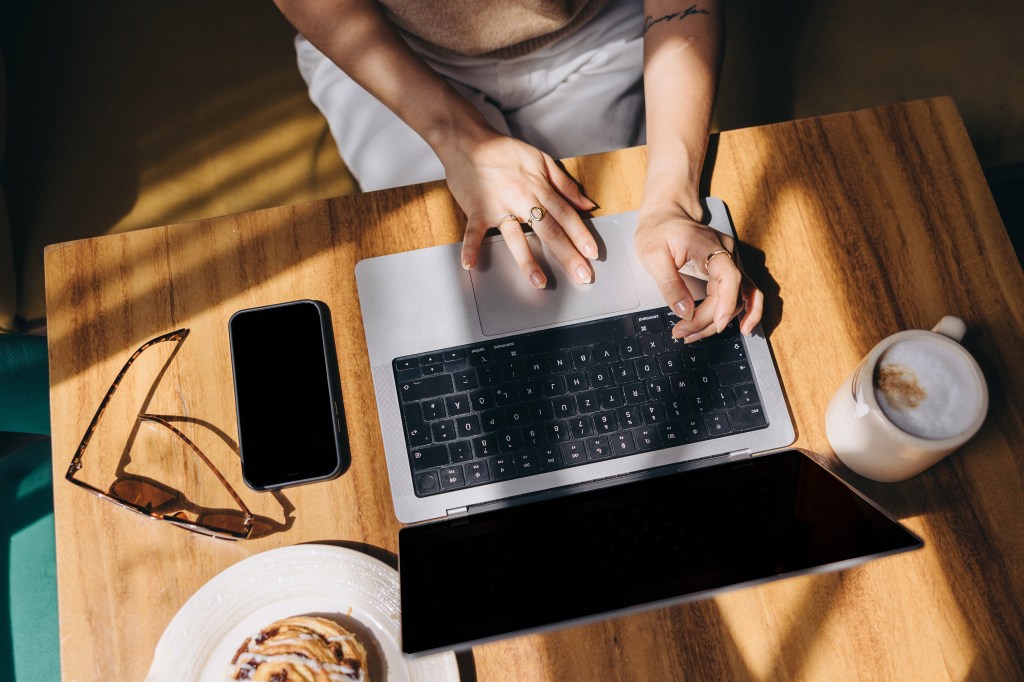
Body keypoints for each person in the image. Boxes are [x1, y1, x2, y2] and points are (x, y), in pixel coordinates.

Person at [273, 0, 762, 342]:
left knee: (617, 268)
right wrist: (460, 138)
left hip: (597, 37)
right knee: (443, 294)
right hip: (388, 46)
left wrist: (672, 202)